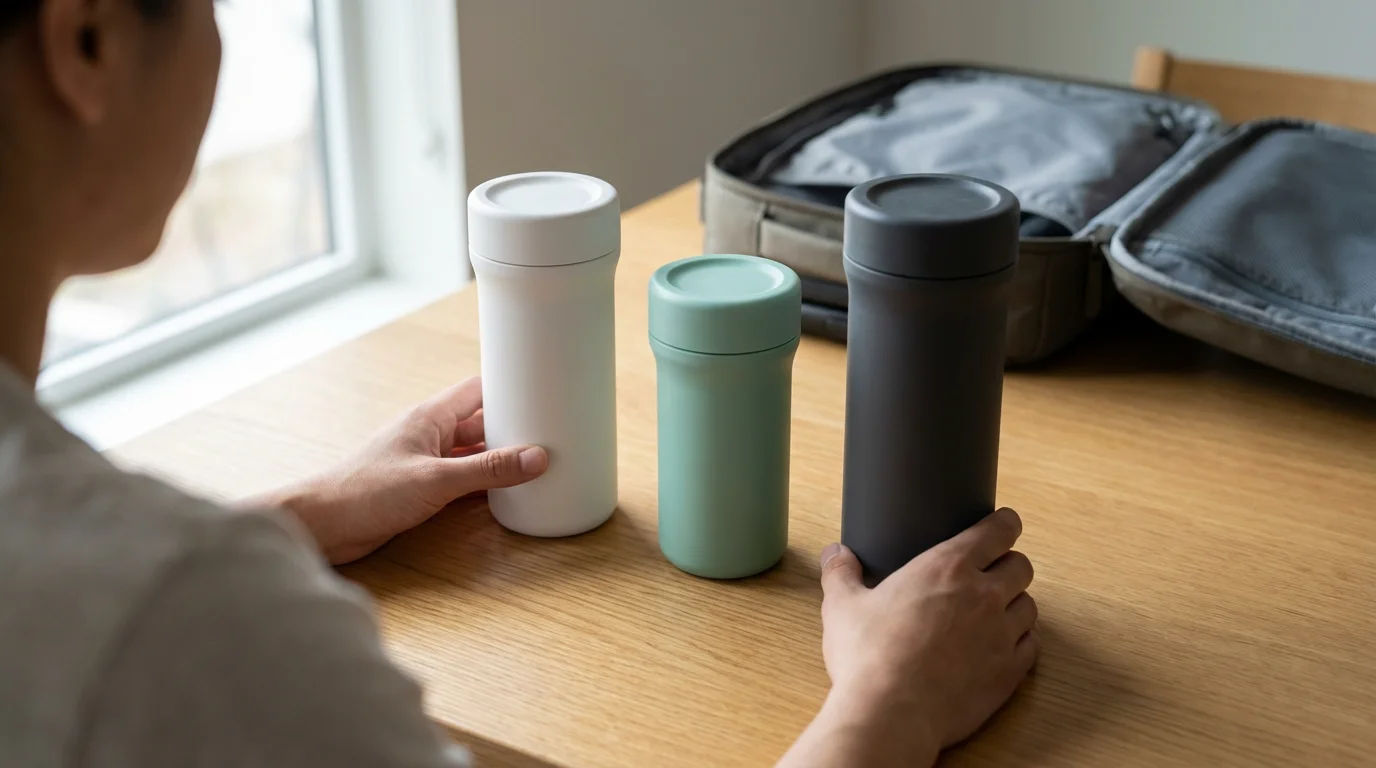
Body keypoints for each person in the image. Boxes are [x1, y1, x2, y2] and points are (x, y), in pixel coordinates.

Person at [0, 1, 1040, 766]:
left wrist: (298, 515)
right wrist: (889, 707)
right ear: (86, 40)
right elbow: (136, 606)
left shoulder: (118, 579)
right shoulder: (183, 626)